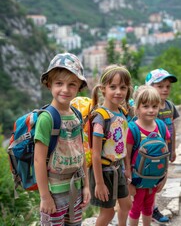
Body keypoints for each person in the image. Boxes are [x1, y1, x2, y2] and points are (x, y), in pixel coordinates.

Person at [34, 52, 90, 226]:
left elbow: (80, 150)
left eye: (71, 84)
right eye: (59, 83)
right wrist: (45, 197)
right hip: (55, 192)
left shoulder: (77, 115)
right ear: (49, 84)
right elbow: (38, 160)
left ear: (79, 87)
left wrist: (86, 186)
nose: (65, 89)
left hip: (76, 188)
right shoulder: (47, 118)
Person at [89, 65, 132, 226]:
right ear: (103, 89)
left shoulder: (122, 112)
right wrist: (99, 183)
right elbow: (95, 154)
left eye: (123, 87)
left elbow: (122, 144)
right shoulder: (101, 118)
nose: (118, 92)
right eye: (113, 87)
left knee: (127, 204)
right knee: (107, 213)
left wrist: (127, 167)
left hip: (118, 168)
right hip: (104, 172)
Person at [127, 85, 170, 226]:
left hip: (155, 178)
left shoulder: (161, 127)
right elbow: (126, 157)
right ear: (137, 108)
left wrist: (164, 177)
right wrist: (128, 182)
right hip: (137, 179)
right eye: (145, 106)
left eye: (154, 106)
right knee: (135, 208)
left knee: (148, 207)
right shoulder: (132, 129)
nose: (151, 110)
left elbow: (165, 154)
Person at [145, 68, 180, 224]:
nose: (165, 89)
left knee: (160, 181)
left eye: (167, 86)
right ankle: (151, 209)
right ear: (150, 87)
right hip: (150, 153)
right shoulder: (149, 107)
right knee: (148, 181)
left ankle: (151, 207)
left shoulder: (170, 106)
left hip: (164, 152)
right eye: (160, 86)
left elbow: (172, 127)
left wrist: (172, 150)